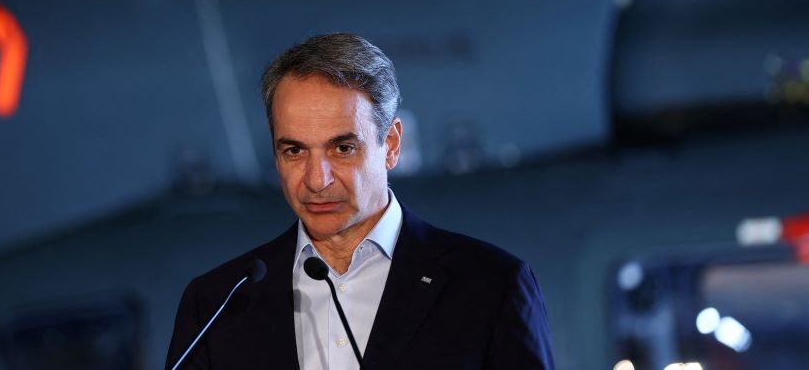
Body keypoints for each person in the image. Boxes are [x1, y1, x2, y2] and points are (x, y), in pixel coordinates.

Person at [166, 33, 555, 369]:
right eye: (294, 151)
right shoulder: (218, 302)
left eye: (343, 148)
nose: (317, 181)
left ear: (392, 145)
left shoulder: (491, 286)